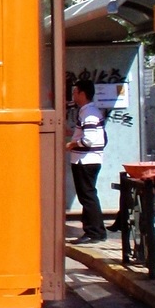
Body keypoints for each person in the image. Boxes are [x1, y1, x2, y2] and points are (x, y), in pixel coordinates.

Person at [67, 79, 107, 244]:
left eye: (76, 92)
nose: (74, 95)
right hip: (89, 160)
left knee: (87, 196)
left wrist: (72, 144)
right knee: (89, 195)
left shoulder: (88, 114)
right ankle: (97, 230)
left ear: (83, 94)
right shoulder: (90, 112)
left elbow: (88, 140)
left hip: (85, 161)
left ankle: (93, 232)